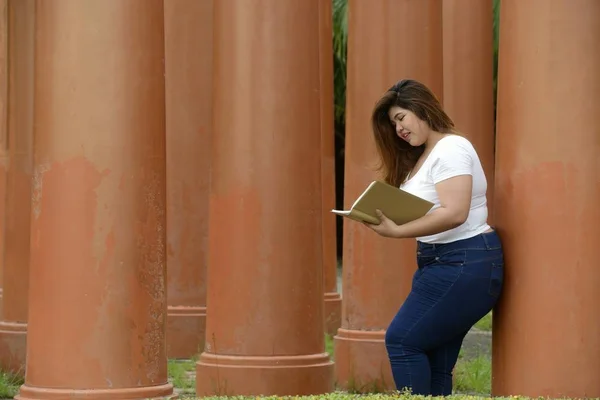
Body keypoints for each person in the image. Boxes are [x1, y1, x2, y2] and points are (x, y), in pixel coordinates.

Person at [364, 79, 504, 396]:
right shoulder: (424, 156)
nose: (398, 128)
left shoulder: (451, 148)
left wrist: (397, 231)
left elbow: (455, 212)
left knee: (401, 340)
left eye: (401, 118)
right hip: (440, 262)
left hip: (465, 261)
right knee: (435, 360)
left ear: (421, 108)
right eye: (393, 123)